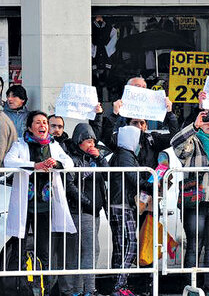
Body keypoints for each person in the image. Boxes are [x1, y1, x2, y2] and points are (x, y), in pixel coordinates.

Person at [4, 110, 76, 295]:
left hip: (44, 206)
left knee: (44, 250)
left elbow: (68, 162)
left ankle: (45, 289)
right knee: (18, 248)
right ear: (29, 127)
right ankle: (18, 289)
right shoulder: (20, 145)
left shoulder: (53, 145)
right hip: (24, 205)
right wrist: (34, 165)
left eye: (44, 122)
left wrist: (55, 164)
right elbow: (8, 161)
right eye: (37, 122)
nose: (42, 125)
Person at [170, 110, 209, 296]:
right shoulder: (193, 142)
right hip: (195, 201)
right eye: (206, 122)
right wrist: (194, 126)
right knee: (194, 245)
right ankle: (191, 287)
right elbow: (176, 144)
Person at [60, 123, 108, 296]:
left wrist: (100, 158)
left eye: (93, 142)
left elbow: (109, 173)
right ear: (79, 141)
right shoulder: (71, 159)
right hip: (81, 210)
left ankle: (79, 290)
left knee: (88, 251)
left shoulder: (92, 158)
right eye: (88, 141)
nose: (92, 145)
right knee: (91, 250)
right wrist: (87, 202)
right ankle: (89, 290)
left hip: (93, 210)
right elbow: (70, 184)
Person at [108, 125, 153, 296]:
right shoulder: (125, 155)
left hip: (120, 203)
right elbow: (133, 178)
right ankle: (119, 285)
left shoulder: (123, 154)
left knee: (122, 246)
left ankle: (119, 285)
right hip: (121, 204)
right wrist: (151, 183)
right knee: (129, 245)